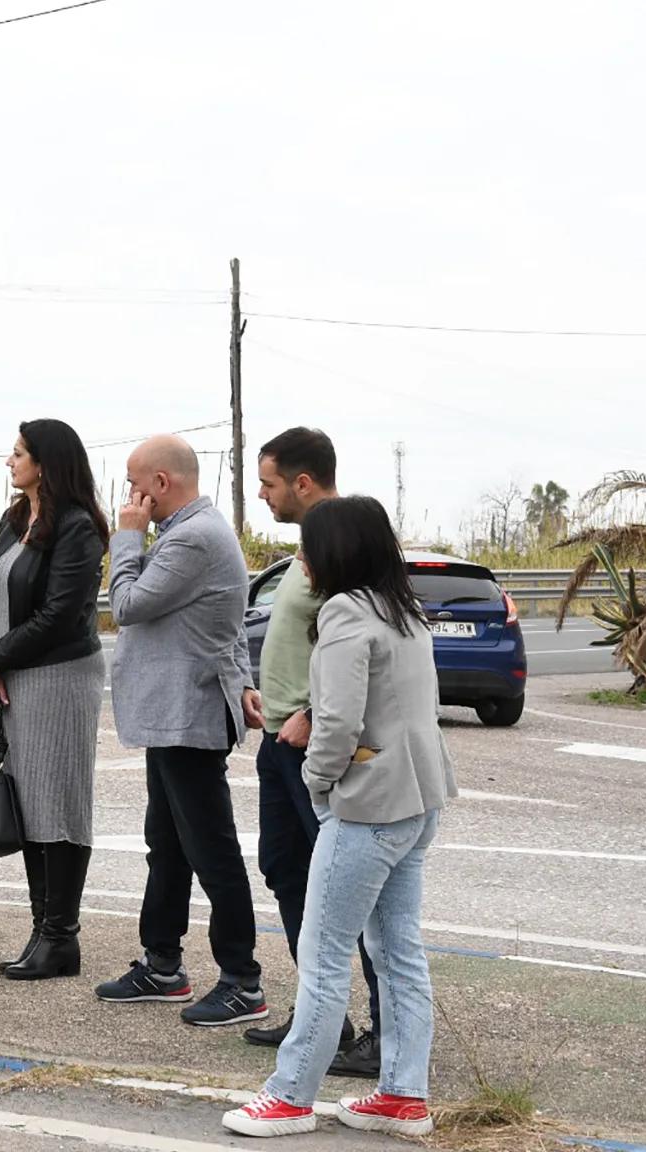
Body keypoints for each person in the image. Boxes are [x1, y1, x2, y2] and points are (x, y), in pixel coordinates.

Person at [222, 495, 456, 1139]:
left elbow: (336, 722)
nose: (300, 559)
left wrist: (317, 782)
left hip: (368, 807)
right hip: (418, 798)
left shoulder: (346, 613)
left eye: (307, 547)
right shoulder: (402, 610)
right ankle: (403, 1095)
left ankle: (290, 1095)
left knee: (323, 952)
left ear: (337, 553)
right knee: (396, 949)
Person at [95, 434, 269, 1026]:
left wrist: (126, 537)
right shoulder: (191, 532)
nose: (130, 495)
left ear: (161, 484)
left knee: (209, 847)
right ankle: (162, 964)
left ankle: (243, 980)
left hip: (189, 716)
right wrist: (243, 682)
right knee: (166, 844)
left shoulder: (192, 537)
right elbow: (229, 627)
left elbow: (126, 604)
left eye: (134, 484)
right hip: (176, 714)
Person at [250, 428, 382, 1077]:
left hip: (314, 743)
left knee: (352, 894)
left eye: (269, 485)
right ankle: (324, 1018)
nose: (263, 497)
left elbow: (360, 646)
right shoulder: (308, 545)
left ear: (303, 483)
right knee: (284, 867)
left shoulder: (345, 544)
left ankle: (383, 1035)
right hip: (278, 741)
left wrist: (308, 711)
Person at [0, 419, 110, 981]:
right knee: (30, 803)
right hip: (16, 676)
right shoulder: (15, 519)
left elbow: (59, 616)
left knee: (60, 803)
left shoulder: (77, 527)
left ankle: (61, 937)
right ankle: (41, 931)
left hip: (59, 676)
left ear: (46, 462)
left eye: (18, 453)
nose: (9, 461)